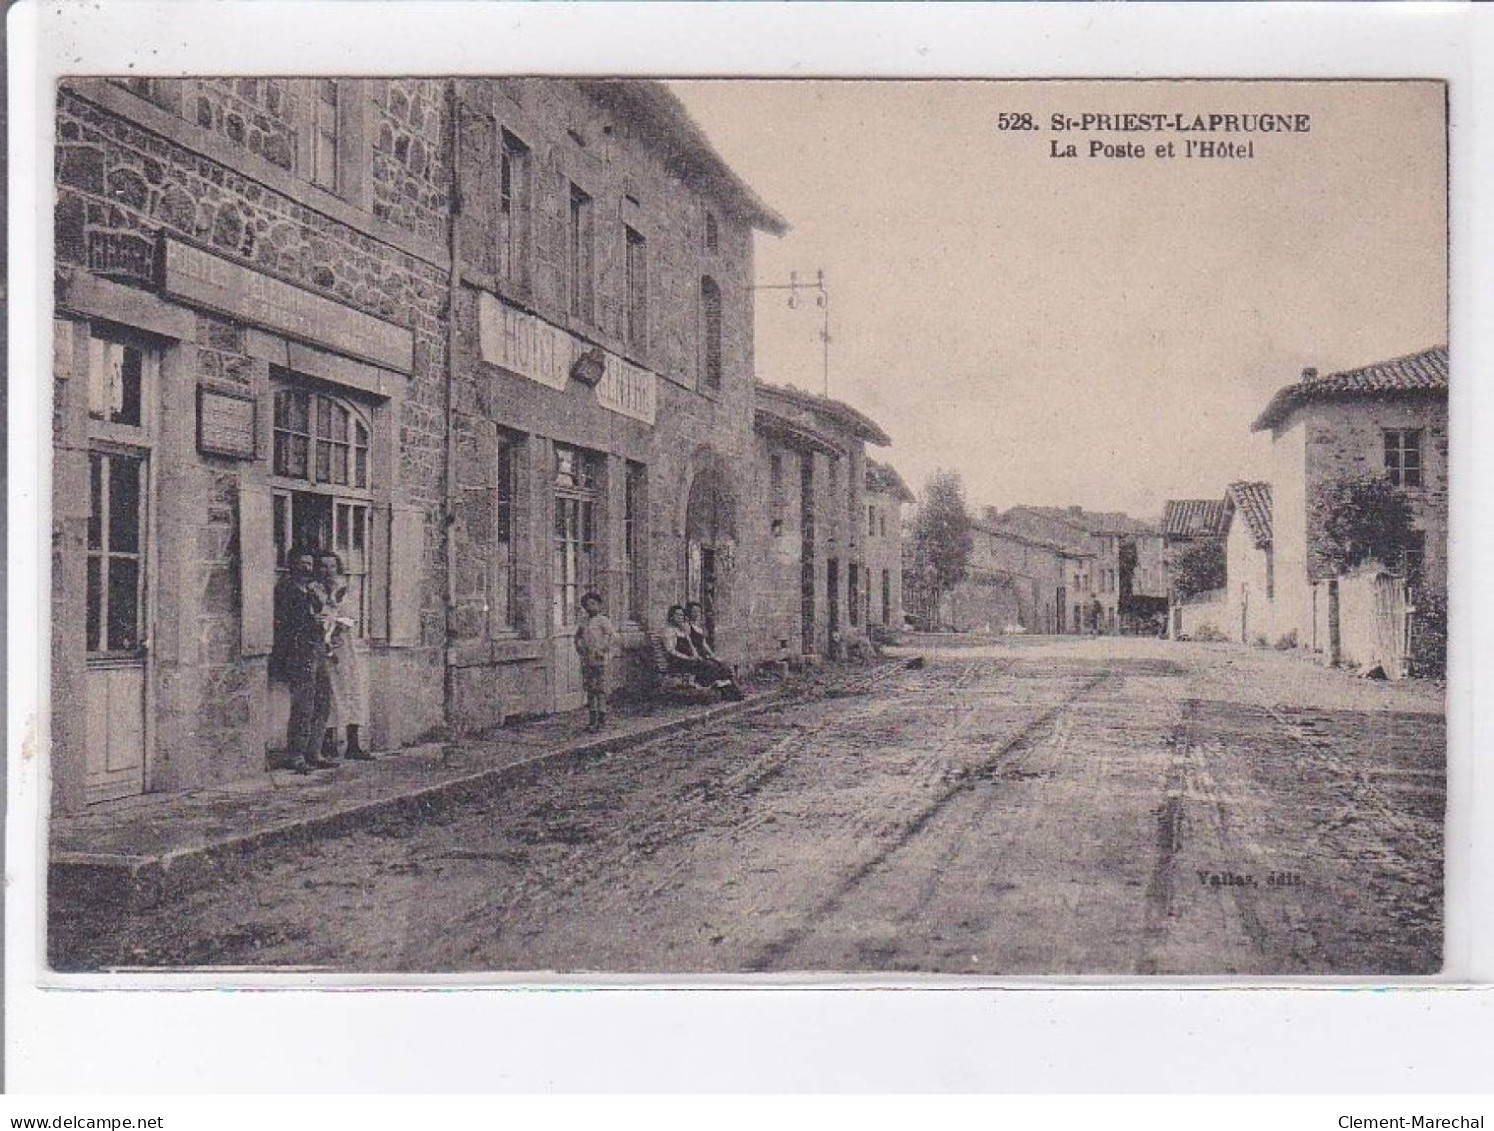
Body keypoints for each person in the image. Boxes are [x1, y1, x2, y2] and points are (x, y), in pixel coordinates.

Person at [271, 545, 335, 774]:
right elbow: (284, 623)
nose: (307, 567)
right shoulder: (286, 589)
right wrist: (311, 621)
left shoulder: (311, 590)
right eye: (302, 563)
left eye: (309, 564)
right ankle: (296, 754)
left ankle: (314, 751)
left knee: (322, 700)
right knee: (303, 705)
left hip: (317, 648)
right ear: (292, 565)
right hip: (298, 651)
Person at [317, 551, 374, 762]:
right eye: (323, 566)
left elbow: (352, 615)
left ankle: (353, 743)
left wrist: (340, 622)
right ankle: (328, 742)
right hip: (324, 647)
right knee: (330, 694)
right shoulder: (315, 590)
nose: (328, 571)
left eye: (332, 566)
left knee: (352, 691)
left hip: (345, 647)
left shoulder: (346, 589)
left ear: (338, 568)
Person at [662, 604, 744, 701]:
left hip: (690, 660)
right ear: (671, 616)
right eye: (677, 615)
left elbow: (691, 645)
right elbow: (671, 651)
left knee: (721, 666)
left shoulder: (683, 630)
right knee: (709, 666)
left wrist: (695, 655)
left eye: (681, 615)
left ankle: (732, 691)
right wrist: (688, 658)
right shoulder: (669, 631)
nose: (680, 617)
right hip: (678, 661)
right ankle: (722, 691)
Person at [574, 590, 618, 732]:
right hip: (588, 659)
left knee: (600, 690)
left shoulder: (603, 620)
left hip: (601, 659)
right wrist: (579, 648)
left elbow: (611, 637)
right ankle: (592, 720)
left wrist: (603, 650)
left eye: (593, 604)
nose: (590, 607)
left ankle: (601, 720)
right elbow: (578, 636)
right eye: (587, 605)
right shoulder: (584, 621)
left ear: (599, 605)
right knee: (590, 690)